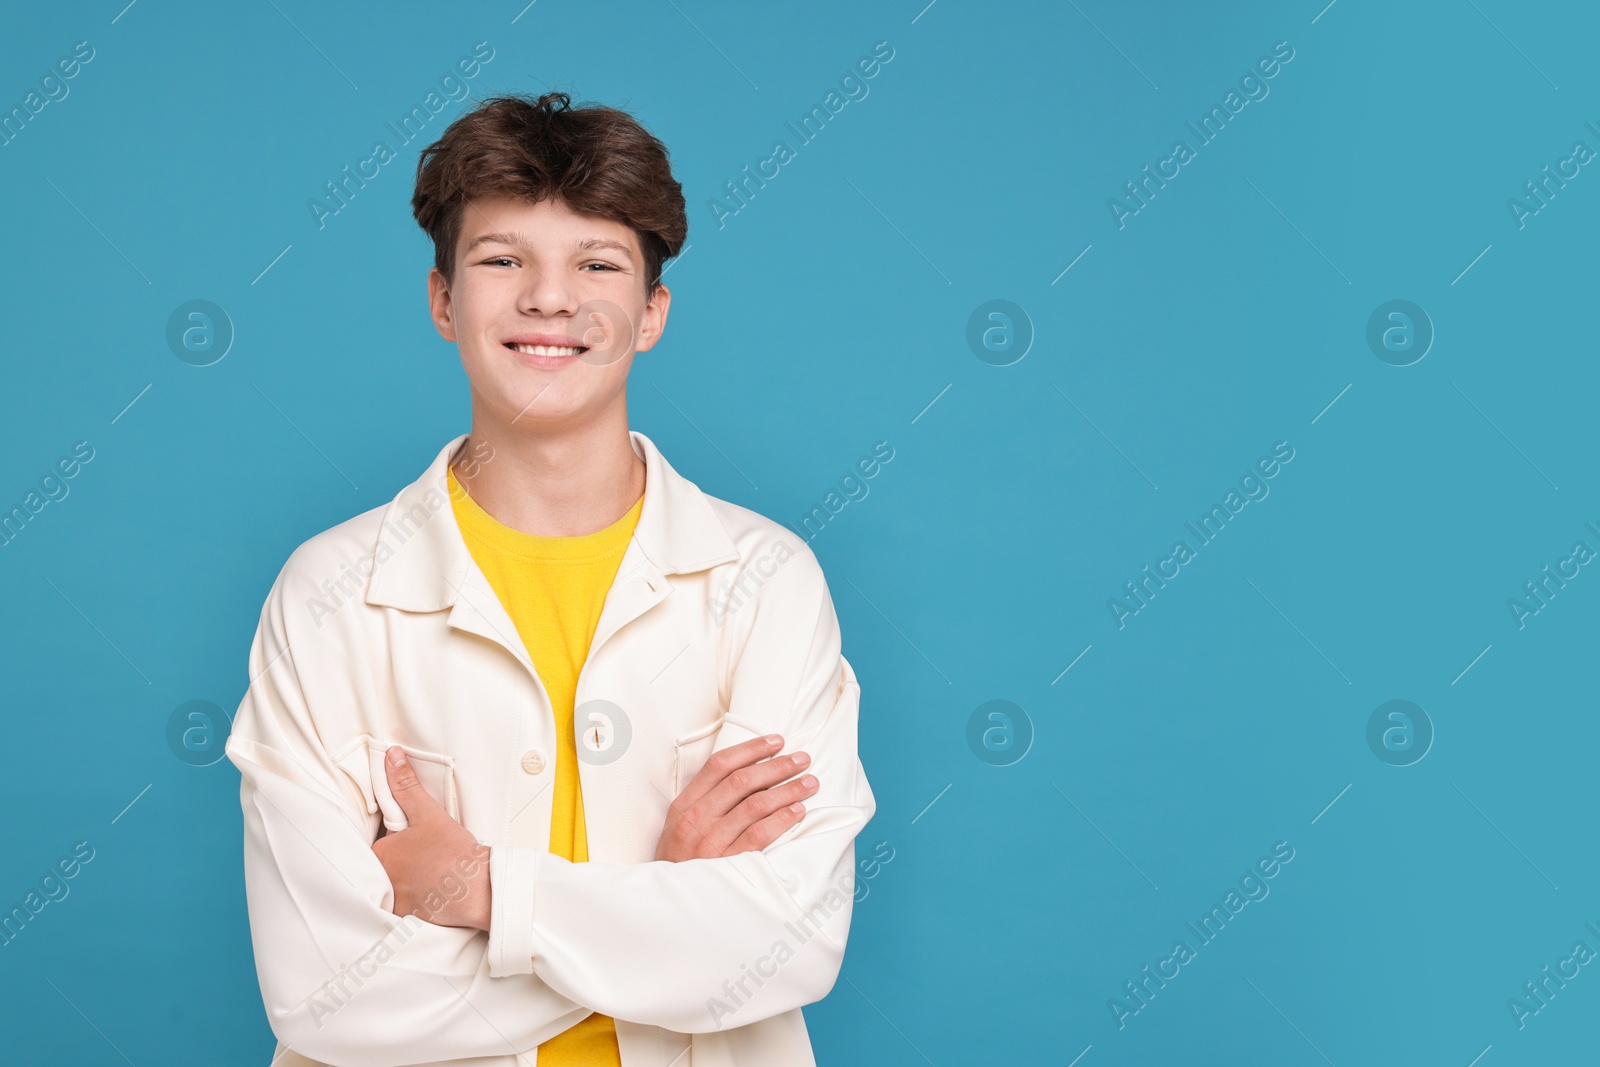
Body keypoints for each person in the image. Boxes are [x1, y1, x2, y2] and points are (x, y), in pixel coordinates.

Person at [225, 91, 875, 1067]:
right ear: (443, 299)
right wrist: (660, 901)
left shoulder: (766, 579)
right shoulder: (329, 594)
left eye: (597, 264)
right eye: (501, 260)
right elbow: (325, 996)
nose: (549, 299)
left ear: (651, 311)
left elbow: (791, 940)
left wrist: (483, 887)